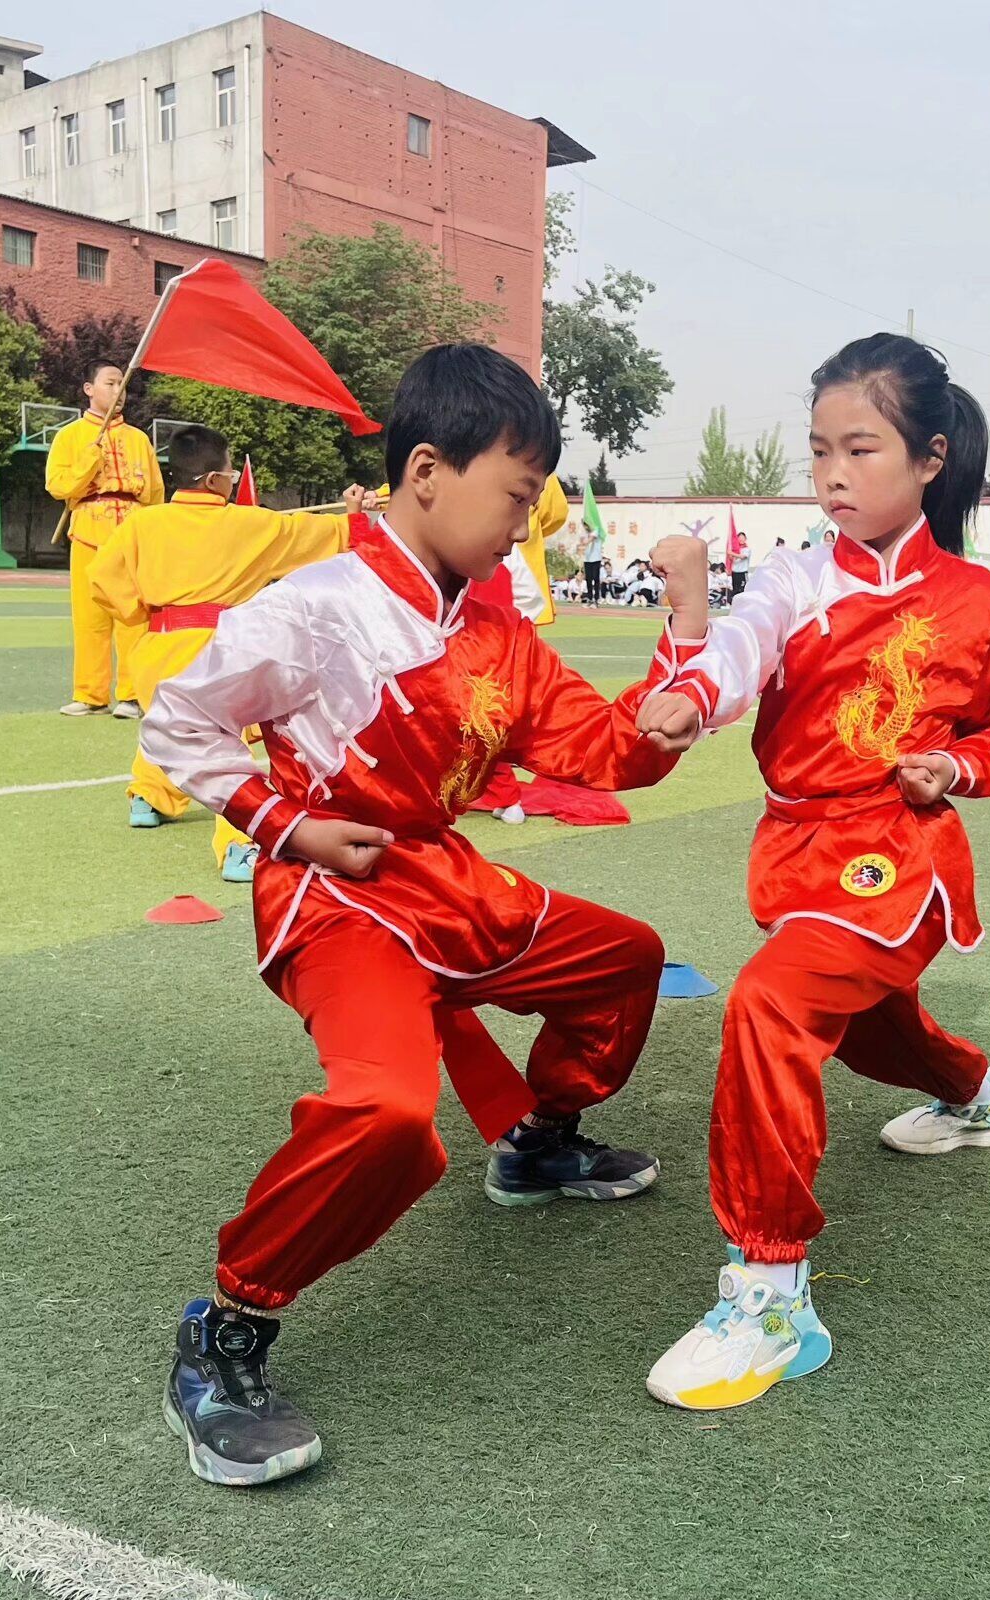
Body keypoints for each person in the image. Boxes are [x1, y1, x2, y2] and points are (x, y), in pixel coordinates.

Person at [138, 344, 710, 1485]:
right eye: (515, 492)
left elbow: (607, 753)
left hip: (445, 881)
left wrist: (686, 618)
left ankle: (537, 1146)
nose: (522, 520)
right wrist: (286, 826)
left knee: (624, 959)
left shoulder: (497, 633)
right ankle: (227, 1328)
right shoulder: (312, 610)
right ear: (426, 472)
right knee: (389, 1114)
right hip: (338, 898)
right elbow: (174, 724)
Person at [631, 332, 990, 1413]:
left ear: (929, 458)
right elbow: (738, 647)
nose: (832, 475)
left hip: (898, 856)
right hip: (799, 848)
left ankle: (770, 1295)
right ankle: (972, 1090)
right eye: (818, 452)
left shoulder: (977, 603)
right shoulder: (794, 578)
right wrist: (689, 670)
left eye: (859, 449)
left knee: (769, 1004)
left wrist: (954, 763)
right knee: (861, 1026)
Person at [90, 425, 363, 881]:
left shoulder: (141, 523)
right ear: (216, 479)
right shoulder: (248, 523)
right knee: (226, 747)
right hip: (223, 650)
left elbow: (103, 581)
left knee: (169, 724)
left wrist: (144, 614)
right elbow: (322, 536)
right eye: (231, 471)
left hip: (158, 647)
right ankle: (240, 843)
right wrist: (354, 512)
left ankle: (147, 797)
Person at [47, 359, 164, 718]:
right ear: (89, 389)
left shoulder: (139, 439)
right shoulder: (70, 437)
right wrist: (89, 460)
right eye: (111, 383)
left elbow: (155, 493)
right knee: (90, 616)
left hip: (130, 531)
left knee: (132, 617)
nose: (119, 391)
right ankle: (90, 693)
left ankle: (131, 694)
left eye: (122, 385)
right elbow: (59, 486)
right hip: (87, 530)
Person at [581, 516, 605, 604]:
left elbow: (589, 540)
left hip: (596, 558)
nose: (585, 527)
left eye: (586, 525)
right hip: (587, 559)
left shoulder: (596, 530)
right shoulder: (585, 533)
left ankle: (597, 598)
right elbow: (583, 542)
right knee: (588, 579)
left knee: (596, 578)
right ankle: (590, 597)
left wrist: (586, 540)